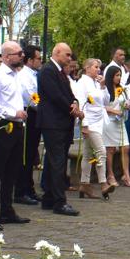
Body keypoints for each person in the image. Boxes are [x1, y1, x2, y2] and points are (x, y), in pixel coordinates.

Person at [0, 41, 35, 222]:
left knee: (12, 170)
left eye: (22, 53)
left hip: (18, 126)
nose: (22, 56)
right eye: (18, 54)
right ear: (6, 57)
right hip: (4, 126)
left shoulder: (16, 75)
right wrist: (13, 113)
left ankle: (7, 210)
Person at [37, 42, 81, 215]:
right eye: (67, 55)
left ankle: (49, 197)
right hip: (53, 123)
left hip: (61, 123)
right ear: (57, 52)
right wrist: (72, 108)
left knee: (53, 160)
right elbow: (55, 96)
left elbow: (69, 94)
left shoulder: (61, 72)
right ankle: (59, 201)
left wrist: (75, 102)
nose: (70, 58)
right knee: (57, 162)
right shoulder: (48, 70)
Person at [74, 57, 112, 198]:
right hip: (89, 122)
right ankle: (103, 183)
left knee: (88, 154)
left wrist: (103, 86)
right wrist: (84, 125)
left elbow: (106, 101)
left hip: (99, 121)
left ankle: (84, 183)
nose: (98, 69)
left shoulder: (97, 82)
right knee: (101, 151)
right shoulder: (82, 83)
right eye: (96, 67)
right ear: (87, 68)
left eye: (99, 67)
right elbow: (81, 103)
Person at [14, 45, 43, 205]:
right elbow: (32, 97)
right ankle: (21, 190)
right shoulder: (25, 75)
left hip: (35, 114)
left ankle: (29, 188)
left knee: (31, 153)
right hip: (29, 113)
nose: (40, 61)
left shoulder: (34, 74)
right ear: (30, 60)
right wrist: (43, 106)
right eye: (38, 58)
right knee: (26, 154)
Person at [102, 66, 130, 185]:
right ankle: (110, 175)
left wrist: (126, 106)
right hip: (109, 121)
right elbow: (101, 106)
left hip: (120, 121)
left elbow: (125, 101)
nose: (118, 78)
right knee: (111, 149)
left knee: (126, 147)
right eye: (116, 75)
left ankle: (126, 175)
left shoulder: (122, 89)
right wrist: (114, 111)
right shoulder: (105, 90)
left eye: (120, 75)